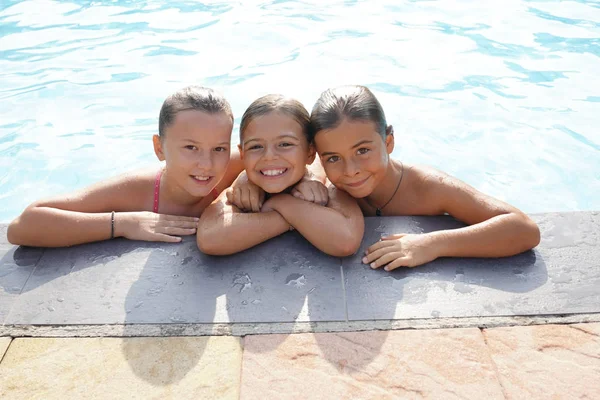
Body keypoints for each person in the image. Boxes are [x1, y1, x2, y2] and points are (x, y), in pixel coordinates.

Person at [309, 85, 541, 270]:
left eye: (362, 151)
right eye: (333, 158)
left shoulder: (428, 187)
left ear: (388, 142)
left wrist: (432, 244)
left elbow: (523, 229)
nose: (350, 170)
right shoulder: (324, 178)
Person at [7, 86, 244, 247]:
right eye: (191, 148)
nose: (206, 164)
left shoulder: (235, 166)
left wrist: (248, 180)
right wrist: (122, 223)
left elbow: (277, 163)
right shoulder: (137, 191)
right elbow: (22, 226)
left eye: (219, 149)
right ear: (159, 148)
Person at [197, 94, 364, 257]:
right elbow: (209, 237)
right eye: (256, 147)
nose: (269, 156)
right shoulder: (243, 189)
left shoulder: (326, 185)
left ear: (310, 152)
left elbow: (346, 241)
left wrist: (279, 202)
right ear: (242, 154)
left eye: (285, 144)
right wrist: (290, 216)